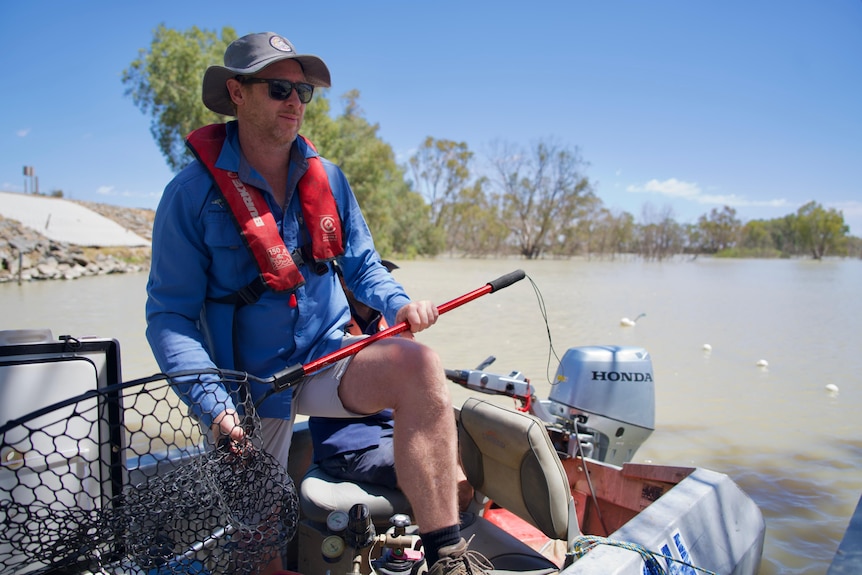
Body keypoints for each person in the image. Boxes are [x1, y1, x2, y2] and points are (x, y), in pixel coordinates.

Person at [145, 32, 491, 575]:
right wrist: (215, 408)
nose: (295, 103)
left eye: (303, 92)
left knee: (419, 367)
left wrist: (397, 304)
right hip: (247, 387)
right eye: (280, 87)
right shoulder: (189, 195)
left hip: (327, 356)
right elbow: (169, 316)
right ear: (236, 92)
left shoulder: (328, 178)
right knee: (259, 550)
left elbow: (363, 265)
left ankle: (447, 553)